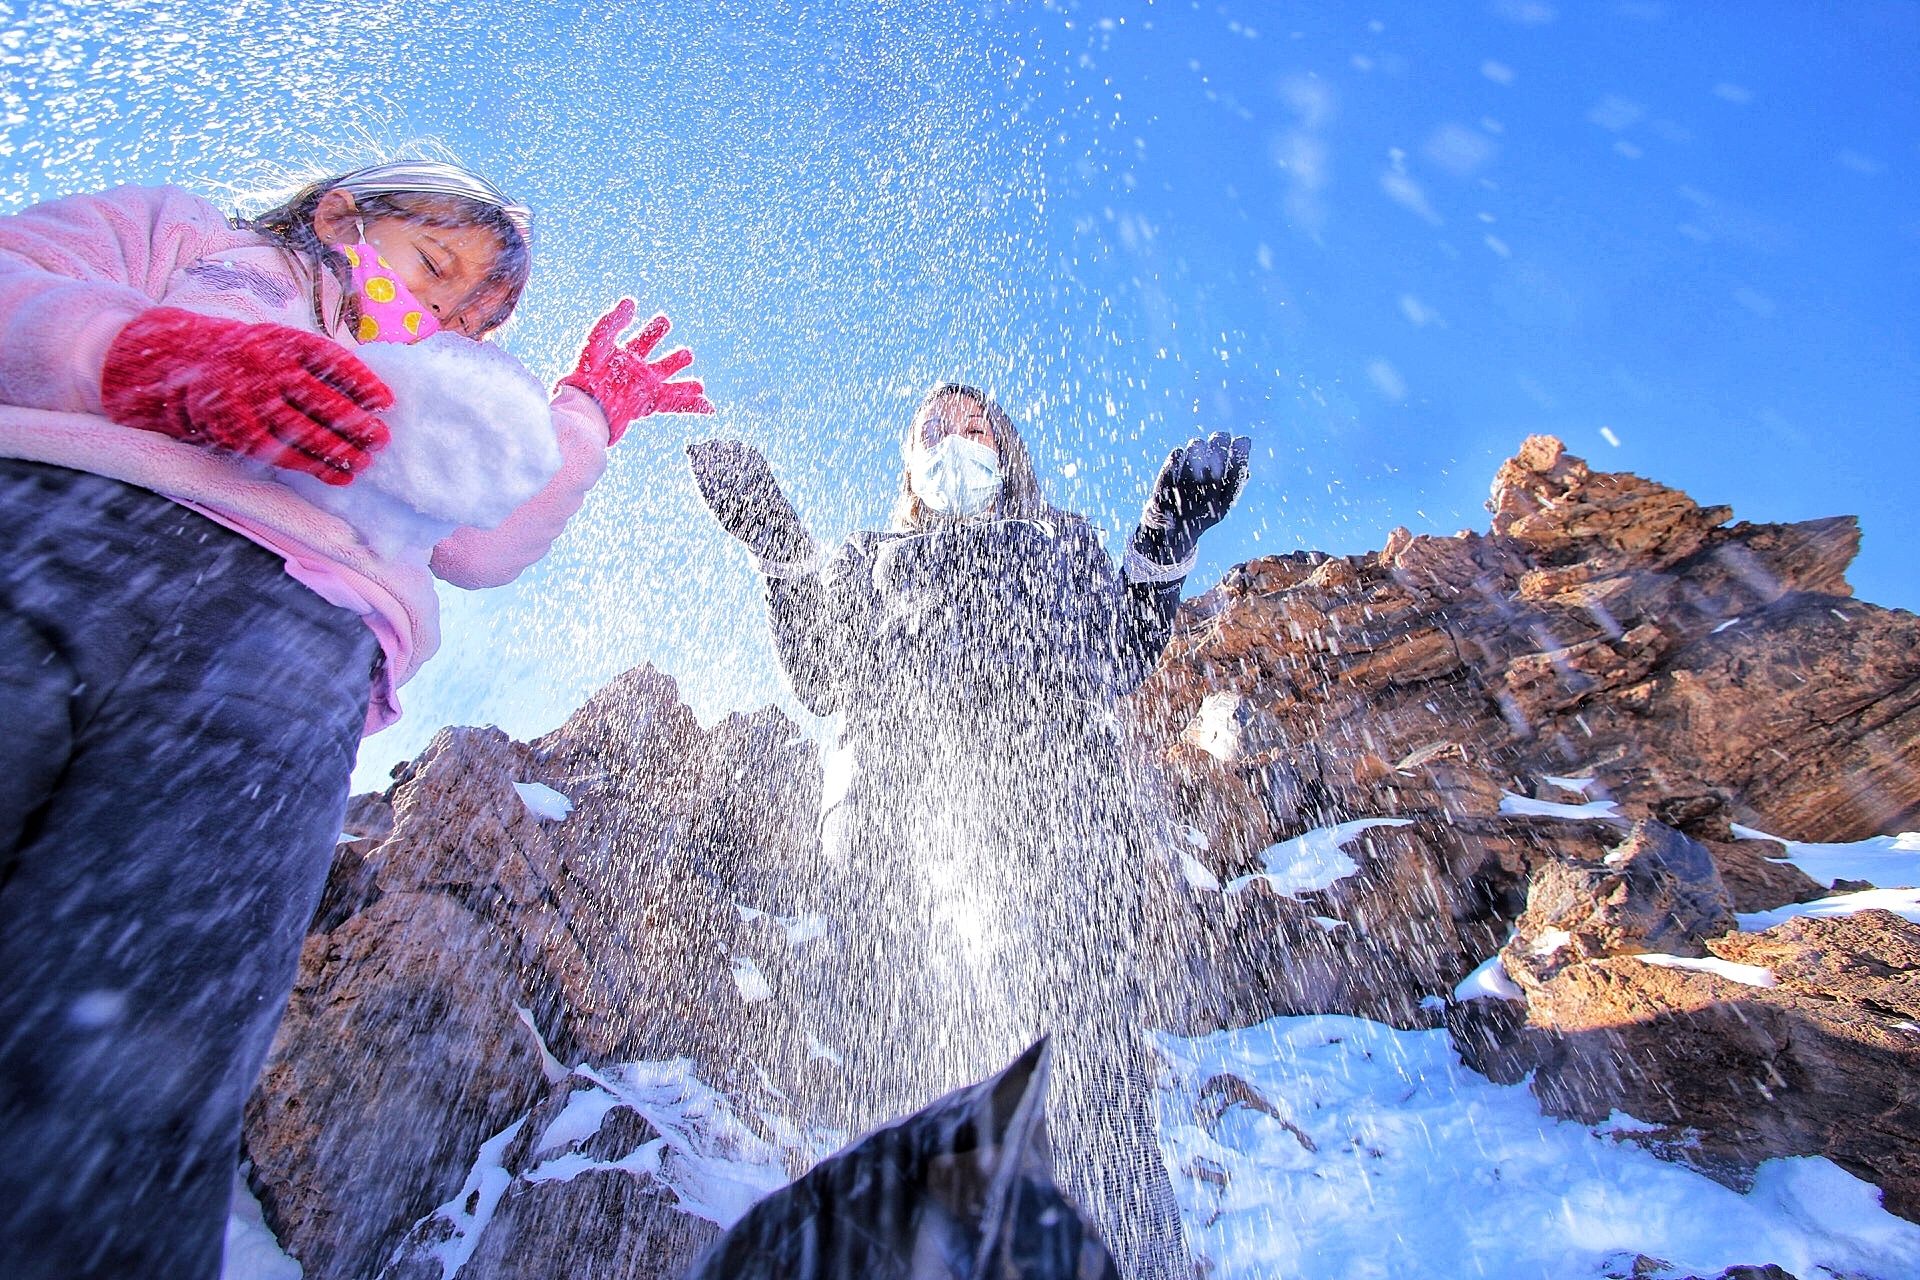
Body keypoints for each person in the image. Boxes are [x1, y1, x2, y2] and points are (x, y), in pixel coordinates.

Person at [0, 159, 712, 1279]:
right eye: (436, 268)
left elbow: (484, 537)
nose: (451, 314)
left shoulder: (431, 385)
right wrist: (142, 356)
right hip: (49, 523)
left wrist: (584, 414)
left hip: (288, 639)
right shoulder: (180, 237)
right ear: (345, 215)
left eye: (481, 314)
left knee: (134, 1064)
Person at [688, 384, 1250, 1280]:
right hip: (897, 867)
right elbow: (826, 675)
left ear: (1009, 451)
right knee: (913, 1122)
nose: (956, 443)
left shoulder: (1057, 542)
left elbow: (1117, 648)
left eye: (976, 428)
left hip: (1058, 846)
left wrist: (1168, 529)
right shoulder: (873, 559)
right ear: (908, 463)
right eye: (933, 433)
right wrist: (780, 549)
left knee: (1085, 1108)